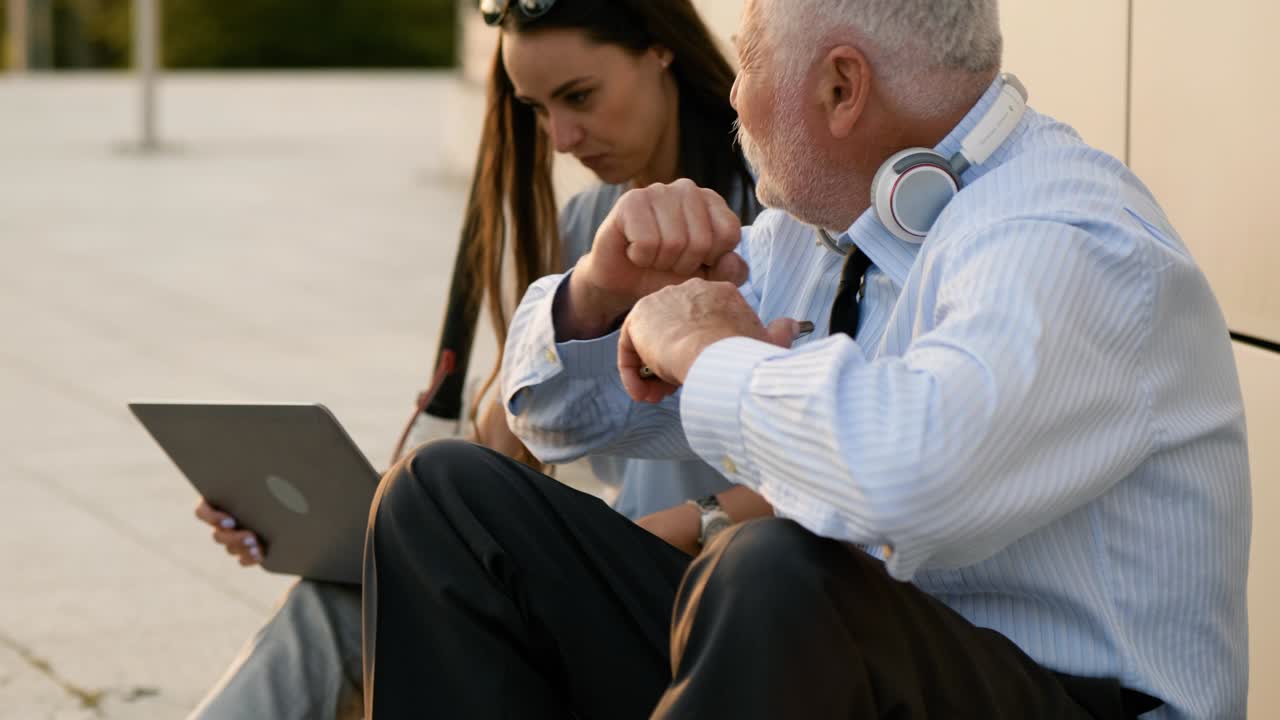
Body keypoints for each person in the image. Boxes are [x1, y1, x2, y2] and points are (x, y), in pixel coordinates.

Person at [363, 0, 1251, 718]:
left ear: (839, 88)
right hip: (847, 663)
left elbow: (906, 482)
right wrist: (604, 292)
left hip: (1074, 699)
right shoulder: (820, 230)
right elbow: (550, 421)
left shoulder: (1065, 239)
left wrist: (709, 351)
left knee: (776, 576)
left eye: (747, 63)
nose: (736, 99)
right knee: (445, 503)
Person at [185, 0, 759, 717]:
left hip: (713, 581)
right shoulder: (592, 226)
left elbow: (840, 476)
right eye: (537, 109)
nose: (560, 139)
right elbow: (503, 441)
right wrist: (315, 520)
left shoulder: (770, 213)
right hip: (616, 559)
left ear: (660, 51)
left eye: (579, 97)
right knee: (342, 590)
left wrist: (623, 539)